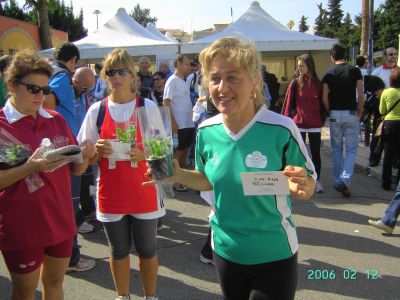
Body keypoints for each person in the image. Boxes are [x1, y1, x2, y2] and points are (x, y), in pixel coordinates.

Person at [151, 37, 316, 300]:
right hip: (226, 252)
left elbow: (306, 181)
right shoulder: (206, 130)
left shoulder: (282, 128)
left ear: (254, 82)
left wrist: (305, 187)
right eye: (215, 79)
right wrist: (178, 174)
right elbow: (207, 179)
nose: (222, 87)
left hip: (274, 253)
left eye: (233, 78)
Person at [0, 50, 95, 300]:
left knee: (55, 282)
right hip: (22, 226)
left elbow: (77, 170)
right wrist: (30, 168)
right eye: (33, 89)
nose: (41, 96)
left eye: (45, 90)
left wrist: (85, 156)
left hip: (60, 220)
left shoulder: (55, 119)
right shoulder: (2, 126)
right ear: (11, 85)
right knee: (24, 291)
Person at [77, 49, 164, 300]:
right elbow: (86, 157)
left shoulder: (146, 106)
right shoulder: (97, 110)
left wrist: (144, 154)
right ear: (105, 76)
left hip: (144, 191)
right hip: (111, 193)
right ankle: (122, 296)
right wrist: (96, 152)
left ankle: (150, 296)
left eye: (123, 71)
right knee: (118, 250)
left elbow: (161, 156)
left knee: (147, 249)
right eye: (112, 72)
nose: (117, 77)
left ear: (132, 75)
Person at [44, 42, 97, 272]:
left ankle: (67, 256)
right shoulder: (61, 76)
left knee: (68, 204)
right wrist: (60, 134)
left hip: (65, 150)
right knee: (69, 205)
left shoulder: (60, 75)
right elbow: (48, 103)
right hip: (64, 151)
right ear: (73, 61)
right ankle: (71, 259)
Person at [322, 44, 365, 197]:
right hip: (350, 113)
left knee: (337, 148)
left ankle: (337, 180)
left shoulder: (328, 72)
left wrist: (329, 111)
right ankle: (345, 179)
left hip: (334, 114)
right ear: (345, 55)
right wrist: (360, 111)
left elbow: (324, 97)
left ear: (332, 56)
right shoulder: (355, 70)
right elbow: (361, 94)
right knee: (352, 148)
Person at [282, 54, 325, 193]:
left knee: (315, 154)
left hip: (315, 125)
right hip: (298, 124)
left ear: (309, 66)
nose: (299, 68)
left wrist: (321, 120)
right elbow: (288, 105)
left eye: (302, 65)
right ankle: (295, 182)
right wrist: (284, 122)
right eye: (298, 65)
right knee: (297, 155)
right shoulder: (295, 83)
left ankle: (316, 181)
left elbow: (323, 105)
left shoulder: (319, 84)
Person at [163, 54, 195, 192]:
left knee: (184, 151)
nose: (189, 67)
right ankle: (173, 181)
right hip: (180, 124)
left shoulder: (184, 81)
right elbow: (166, 102)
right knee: (178, 153)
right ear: (179, 64)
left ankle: (180, 179)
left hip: (188, 123)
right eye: (187, 64)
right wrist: (172, 122)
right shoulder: (172, 80)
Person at [72, 67, 97, 227]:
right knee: (76, 182)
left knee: (88, 179)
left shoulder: (82, 94)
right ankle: (79, 218)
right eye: (84, 87)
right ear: (74, 80)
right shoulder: (63, 90)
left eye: (89, 88)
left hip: (84, 142)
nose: (86, 91)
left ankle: (89, 210)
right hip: (71, 145)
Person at [378, 68, 400, 190]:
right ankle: (398, 183)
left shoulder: (387, 92)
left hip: (390, 125)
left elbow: (382, 111)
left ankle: (386, 183)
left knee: (388, 155)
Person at [362, 75, 386, 167]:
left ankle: (374, 160)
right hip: (381, 122)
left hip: (380, 123)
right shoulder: (375, 96)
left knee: (377, 143)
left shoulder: (378, 97)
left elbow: (369, 110)